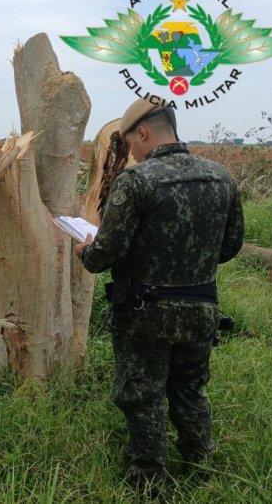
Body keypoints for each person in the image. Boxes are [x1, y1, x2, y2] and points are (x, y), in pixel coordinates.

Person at [74, 97, 244, 487]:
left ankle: (148, 478)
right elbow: (231, 247)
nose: (130, 150)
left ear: (144, 132)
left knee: (142, 395)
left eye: (129, 141)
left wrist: (85, 247)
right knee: (190, 389)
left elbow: (105, 255)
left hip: (143, 314)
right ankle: (201, 466)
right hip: (201, 309)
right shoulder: (221, 177)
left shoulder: (135, 182)